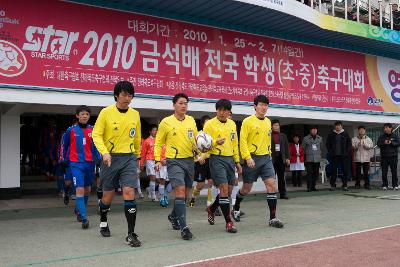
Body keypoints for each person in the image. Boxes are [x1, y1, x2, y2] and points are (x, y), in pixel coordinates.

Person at [92, 81, 142, 247]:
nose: (127, 98)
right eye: (124, 95)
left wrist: (138, 156)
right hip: (110, 159)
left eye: (130, 95)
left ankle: (131, 233)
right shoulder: (106, 113)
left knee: (129, 192)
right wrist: (104, 152)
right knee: (108, 197)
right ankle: (104, 218)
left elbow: (136, 137)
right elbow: (96, 135)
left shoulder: (135, 114)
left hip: (128, 158)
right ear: (116, 95)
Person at [232, 95, 284, 228]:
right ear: (255, 106)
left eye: (266, 105)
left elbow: (267, 141)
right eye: (261, 105)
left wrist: (269, 155)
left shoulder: (268, 122)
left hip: (266, 158)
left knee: (272, 185)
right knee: (246, 188)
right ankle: (236, 206)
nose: (263, 107)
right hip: (252, 159)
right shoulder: (247, 121)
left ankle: (273, 218)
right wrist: (247, 157)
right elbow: (242, 141)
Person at [154, 93, 200, 240]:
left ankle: (173, 216)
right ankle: (184, 228)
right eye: (180, 103)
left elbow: (195, 141)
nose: (184, 105)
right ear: (174, 105)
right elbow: (159, 142)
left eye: (186, 103)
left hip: (189, 161)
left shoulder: (191, 120)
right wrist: (157, 160)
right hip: (173, 161)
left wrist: (200, 153)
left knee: (185, 194)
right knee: (179, 190)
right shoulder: (166, 122)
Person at [203, 99, 242, 233]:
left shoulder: (232, 124)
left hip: (230, 159)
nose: (221, 112)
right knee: (224, 189)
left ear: (229, 112)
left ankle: (212, 209)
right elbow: (204, 144)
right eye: (219, 109)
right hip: (216, 159)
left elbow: (234, 143)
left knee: (229, 190)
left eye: (224, 110)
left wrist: (237, 162)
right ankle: (229, 222)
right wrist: (214, 142)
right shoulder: (209, 124)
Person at [61, 105, 99, 229]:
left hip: (90, 164)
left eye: (87, 114)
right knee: (79, 189)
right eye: (82, 114)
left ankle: (78, 210)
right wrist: (63, 159)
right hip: (75, 164)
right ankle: (84, 217)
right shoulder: (70, 130)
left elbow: (96, 146)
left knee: (88, 190)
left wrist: (99, 158)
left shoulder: (93, 130)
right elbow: (64, 145)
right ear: (77, 116)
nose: (85, 116)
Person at [326, 121, 351, 191]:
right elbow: (327, 144)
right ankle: (333, 185)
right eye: (336, 125)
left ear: (341, 126)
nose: (337, 127)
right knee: (333, 171)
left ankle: (345, 185)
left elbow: (349, 144)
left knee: (345, 171)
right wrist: (330, 152)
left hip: (344, 156)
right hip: (334, 156)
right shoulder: (331, 134)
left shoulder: (345, 134)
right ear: (335, 126)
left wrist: (346, 152)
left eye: (339, 125)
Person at [271, 119, 290, 199]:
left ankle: (283, 193)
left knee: (281, 177)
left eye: (277, 125)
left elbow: (286, 147)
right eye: (274, 125)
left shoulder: (283, 136)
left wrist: (288, 158)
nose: (276, 127)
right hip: (271, 159)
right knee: (272, 177)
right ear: (271, 126)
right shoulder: (268, 135)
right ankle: (271, 193)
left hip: (281, 159)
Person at [140, 125, 159, 202]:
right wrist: (142, 163)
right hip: (150, 160)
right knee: (153, 177)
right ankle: (153, 197)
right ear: (150, 131)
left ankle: (149, 189)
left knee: (159, 179)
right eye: (154, 130)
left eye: (156, 130)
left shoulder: (159, 140)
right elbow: (143, 153)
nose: (156, 132)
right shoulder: (146, 141)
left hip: (158, 161)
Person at [377, 123, 399, 190]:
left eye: (386, 127)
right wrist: (384, 143)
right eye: (384, 128)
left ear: (390, 128)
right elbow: (378, 144)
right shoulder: (381, 136)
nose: (385, 129)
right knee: (384, 171)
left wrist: (391, 143)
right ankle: (385, 185)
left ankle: (395, 185)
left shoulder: (395, 135)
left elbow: (398, 143)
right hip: (384, 156)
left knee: (394, 171)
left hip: (393, 156)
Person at [302, 126, 323, 192]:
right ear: (310, 131)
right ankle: (309, 187)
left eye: (315, 130)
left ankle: (313, 186)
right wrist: (308, 153)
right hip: (309, 158)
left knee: (316, 173)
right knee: (309, 173)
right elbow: (303, 148)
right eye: (313, 130)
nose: (314, 131)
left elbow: (321, 147)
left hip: (317, 158)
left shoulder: (320, 138)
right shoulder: (305, 138)